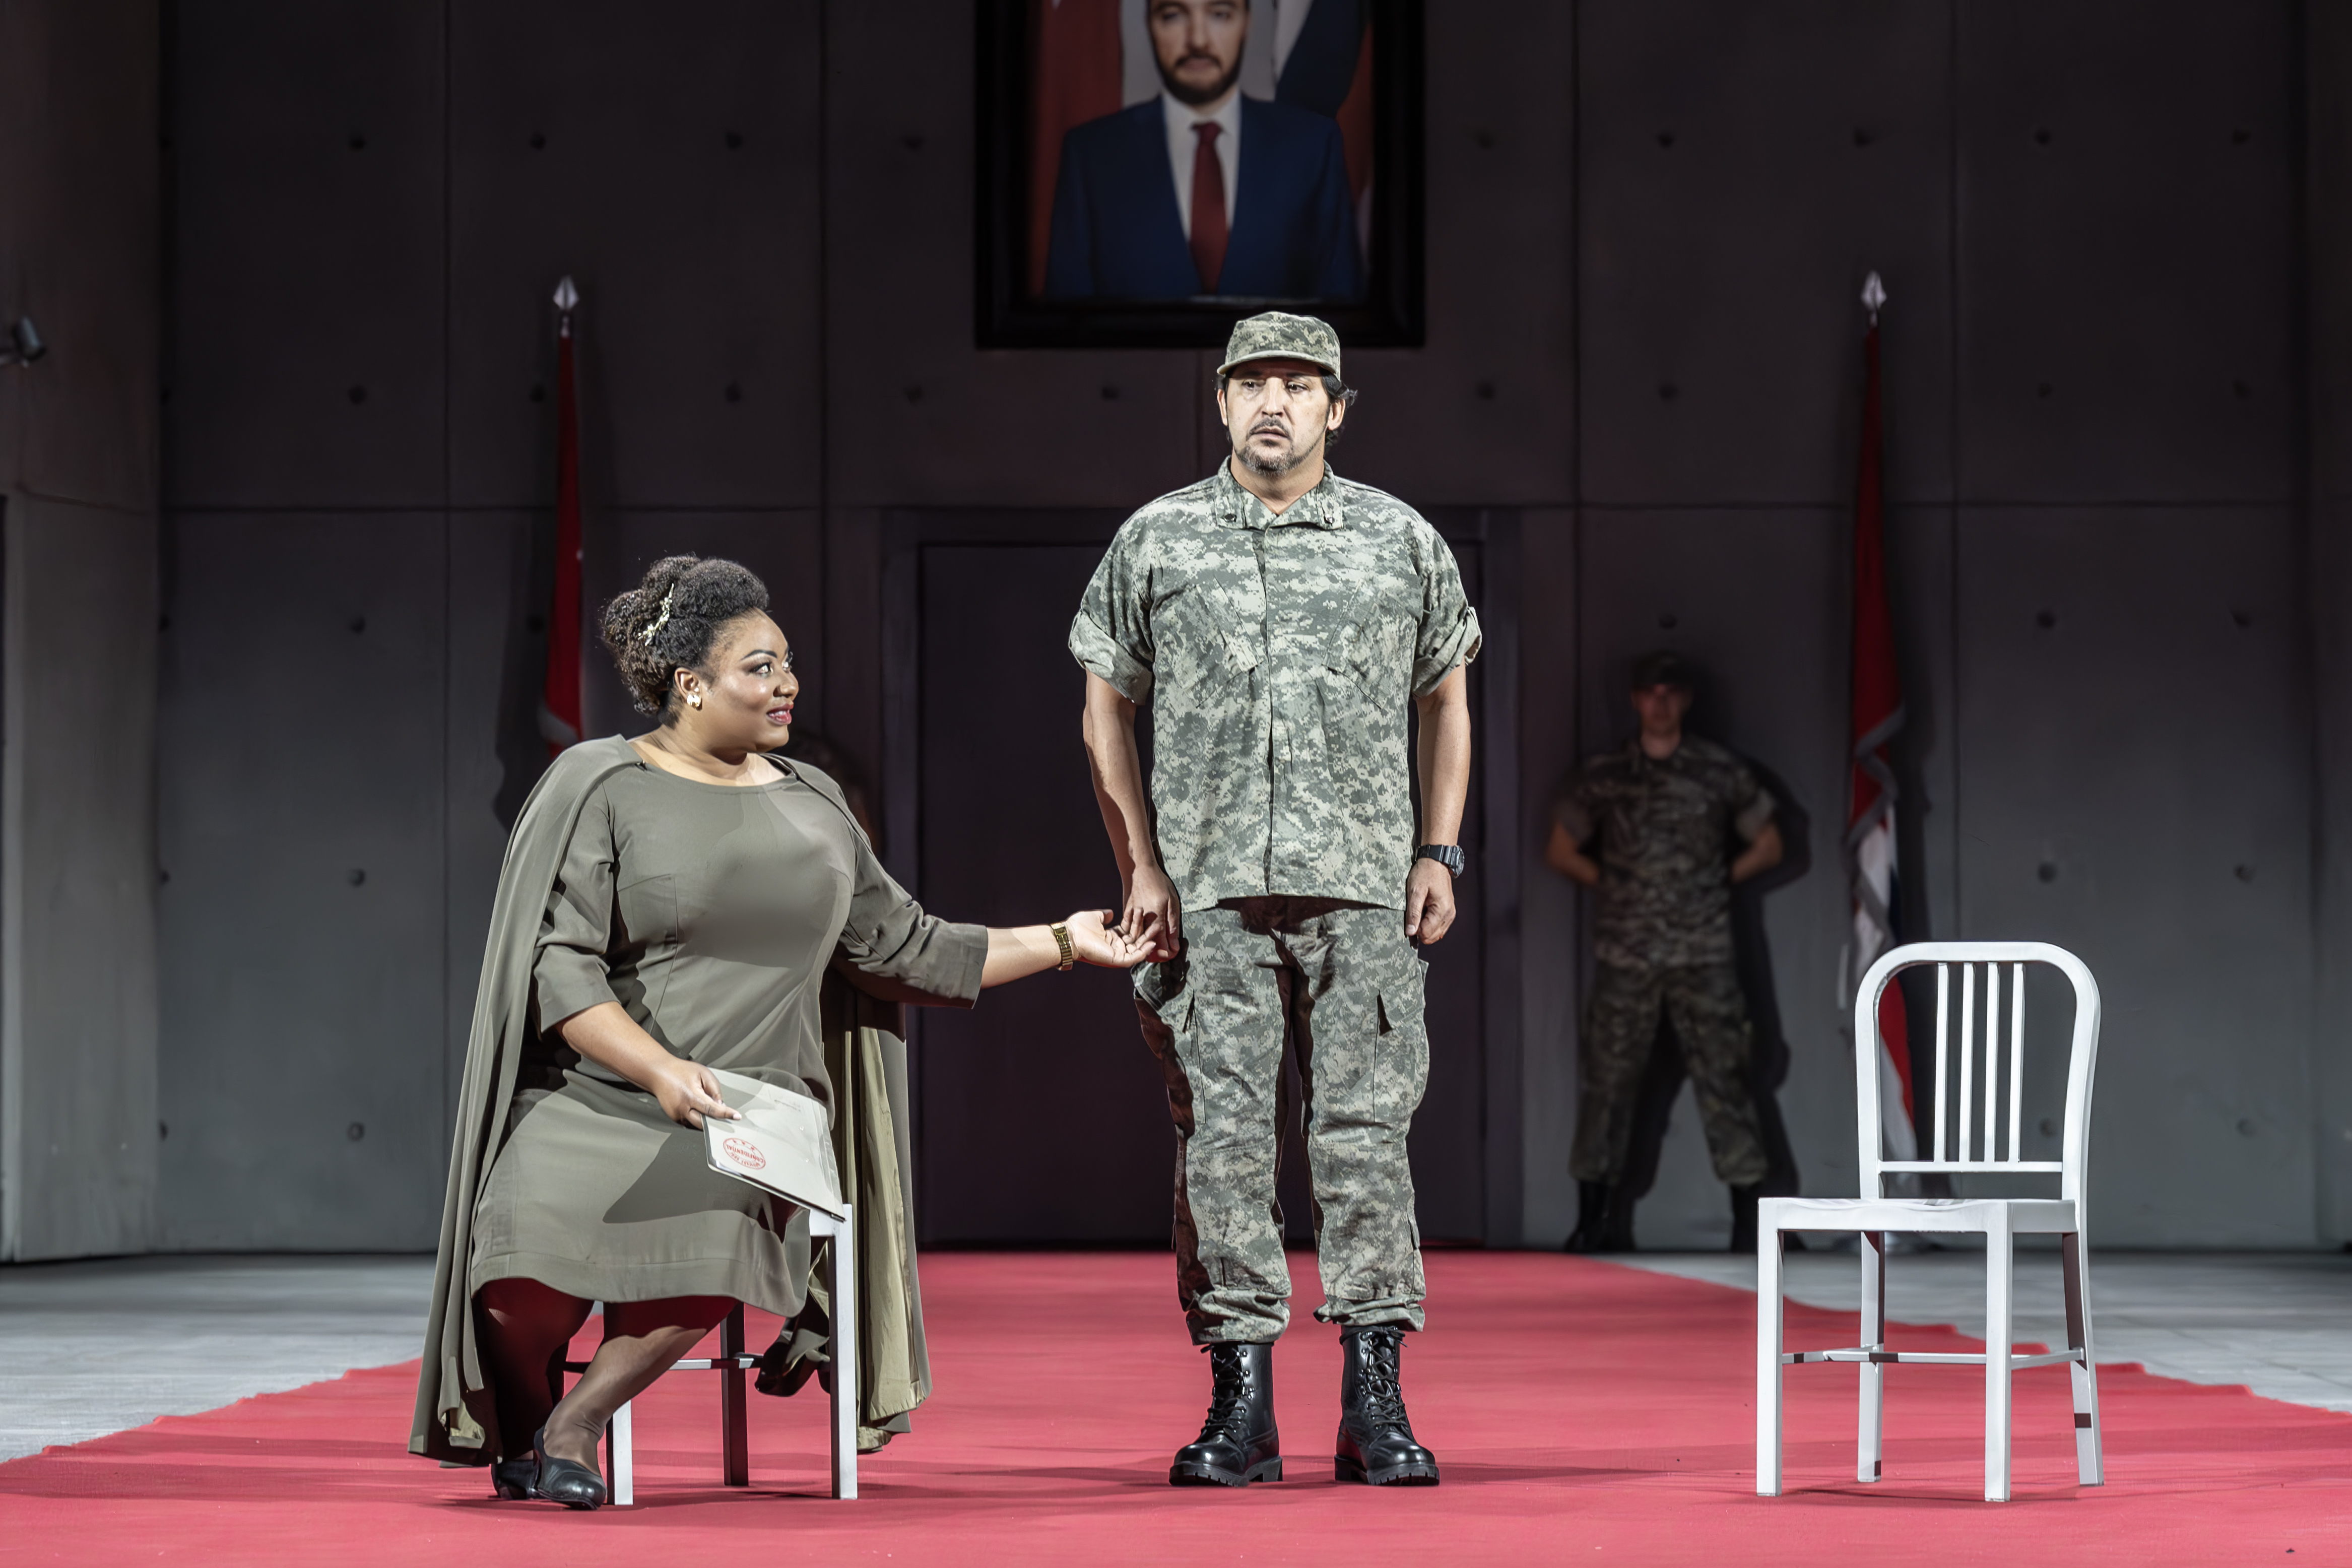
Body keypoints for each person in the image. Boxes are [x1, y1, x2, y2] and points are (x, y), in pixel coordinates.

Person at [411, 554, 1147, 1510]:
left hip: (754, 1104)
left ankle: (572, 1425)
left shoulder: (813, 800)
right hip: (604, 1088)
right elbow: (560, 965)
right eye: (760, 667)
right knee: (511, 1260)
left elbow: (905, 946)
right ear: (689, 685)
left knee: (725, 1230)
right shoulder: (600, 784)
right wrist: (658, 1069)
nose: (787, 683)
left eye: (786, 663)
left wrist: (1062, 941)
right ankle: (522, 1417)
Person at [1071, 311, 1479, 1488]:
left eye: (1300, 386)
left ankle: (1372, 1398)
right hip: (1202, 893)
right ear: (1218, 400)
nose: (1273, 403)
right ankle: (1238, 1402)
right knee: (1221, 1145)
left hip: (1360, 890)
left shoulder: (1398, 540)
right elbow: (1104, 703)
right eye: (1252, 382)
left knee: (1363, 1140)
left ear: (1336, 408)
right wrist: (1138, 862)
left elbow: (1444, 697)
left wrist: (1436, 850)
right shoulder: (1158, 538)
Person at [1545, 651, 1784, 1254]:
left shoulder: (1717, 770)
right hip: (1627, 954)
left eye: (1670, 692)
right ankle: (1593, 1222)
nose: (1660, 702)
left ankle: (1750, 1225)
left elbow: (1771, 843)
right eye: (1649, 691)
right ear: (1635, 699)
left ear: (1685, 699)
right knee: (1608, 1084)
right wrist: (1618, 885)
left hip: (1704, 952)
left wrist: (1712, 881)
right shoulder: (1606, 774)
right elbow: (1561, 847)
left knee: (1726, 1081)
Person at [1042, 0, 1363, 301]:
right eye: (1173, 15)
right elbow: (1067, 336)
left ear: (1247, 24)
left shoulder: (1313, 149)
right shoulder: (1090, 156)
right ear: (1149, 25)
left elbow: (1342, 321)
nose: (1198, 40)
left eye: (1220, 14)